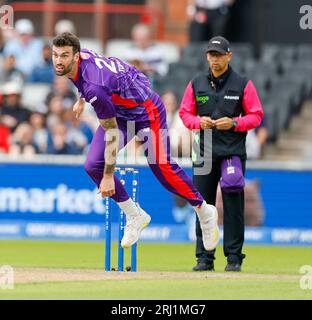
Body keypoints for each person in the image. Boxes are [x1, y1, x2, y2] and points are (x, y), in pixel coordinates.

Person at [51, 32, 219, 251]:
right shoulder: (82, 58)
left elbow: (110, 130)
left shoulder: (95, 87)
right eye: (55, 55)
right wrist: (81, 99)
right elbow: (86, 81)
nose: (58, 60)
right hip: (120, 111)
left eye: (64, 56)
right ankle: (135, 215)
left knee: (161, 166)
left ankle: (205, 212)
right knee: (92, 165)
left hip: (145, 110)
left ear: (75, 57)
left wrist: (109, 176)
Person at [179, 36, 264, 272]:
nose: (214, 59)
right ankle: (204, 258)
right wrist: (198, 122)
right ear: (207, 56)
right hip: (203, 151)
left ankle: (234, 257)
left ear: (229, 56)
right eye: (211, 54)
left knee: (233, 203)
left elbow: (256, 115)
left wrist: (235, 124)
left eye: (218, 55)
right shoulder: (196, 83)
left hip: (231, 152)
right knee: (203, 206)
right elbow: (185, 114)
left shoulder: (243, 84)